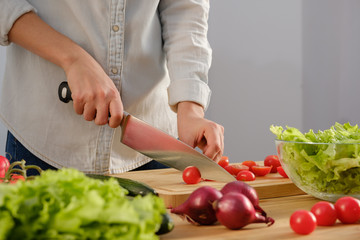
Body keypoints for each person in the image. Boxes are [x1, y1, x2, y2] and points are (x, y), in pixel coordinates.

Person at [0, 0, 224, 175]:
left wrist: (190, 109)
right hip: (44, 142)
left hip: (152, 146)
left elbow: (185, 8)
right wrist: (73, 59)